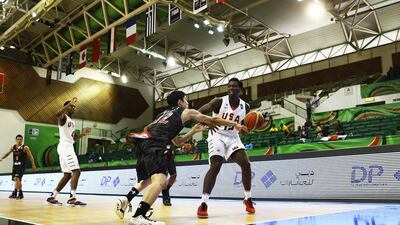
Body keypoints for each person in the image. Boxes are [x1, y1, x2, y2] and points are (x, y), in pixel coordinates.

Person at [114, 90, 247, 225]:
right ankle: (138, 216)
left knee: (149, 179)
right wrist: (235, 124)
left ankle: (127, 201)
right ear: (180, 102)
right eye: (186, 99)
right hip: (155, 144)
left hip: (143, 144)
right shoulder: (186, 112)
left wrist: (193, 131)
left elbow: (176, 141)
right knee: (160, 181)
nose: (188, 102)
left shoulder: (162, 114)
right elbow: (213, 120)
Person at [196, 78, 255, 218]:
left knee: (246, 164)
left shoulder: (245, 107)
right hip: (217, 135)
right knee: (216, 165)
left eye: (234, 86)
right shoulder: (219, 101)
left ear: (240, 89)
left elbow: (243, 126)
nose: (231, 88)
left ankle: (248, 199)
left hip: (233, 137)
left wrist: (245, 129)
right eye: (229, 86)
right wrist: (209, 121)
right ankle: (203, 203)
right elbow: (198, 112)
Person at [46, 97, 91, 206]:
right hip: (65, 147)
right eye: (72, 106)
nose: (74, 108)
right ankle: (72, 198)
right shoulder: (63, 118)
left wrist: (83, 134)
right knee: (76, 171)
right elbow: (57, 114)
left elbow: (72, 138)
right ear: (66, 108)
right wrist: (68, 104)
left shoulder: (72, 122)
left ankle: (52, 196)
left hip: (67, 146)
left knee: (67, 174)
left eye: (74, 107)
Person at [0, 135, 37, 199]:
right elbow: (7, 153)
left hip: (21, 165)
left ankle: (17, 193)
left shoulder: (25, 147)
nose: (19, 140)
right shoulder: (14, 147)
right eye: (18, 139)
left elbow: (31, 156)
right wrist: (2, 158)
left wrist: (33, 164)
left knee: (17, 178)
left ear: (22, 140)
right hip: (15, 165)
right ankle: (17, 193)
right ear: (16, 140)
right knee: (15, 179)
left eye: (20, 139)